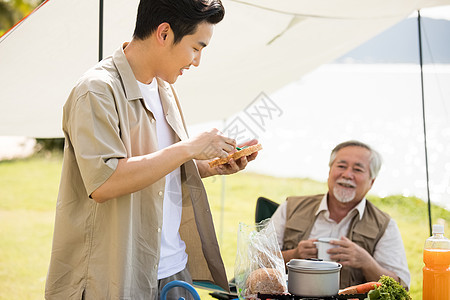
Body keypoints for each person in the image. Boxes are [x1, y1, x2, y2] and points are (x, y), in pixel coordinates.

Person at [45, 1, 259, 299]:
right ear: (164, 33)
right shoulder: (96, 90)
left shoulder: (164, 88)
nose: (196, 61)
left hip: (173, 271)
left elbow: (158, 170)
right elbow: (106, 182)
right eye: (196, 48)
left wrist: (209, 166)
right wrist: (191, 146)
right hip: (115, 278)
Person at [271, 140, 410, 289]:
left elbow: (400, 287)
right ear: (329, 172)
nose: (347, 174)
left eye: (357, 169)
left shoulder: (384, 225)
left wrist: (366, 263)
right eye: (341, 166)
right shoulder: (291, 207)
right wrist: (294, 256)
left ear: (371, 182)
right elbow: (257, 260)